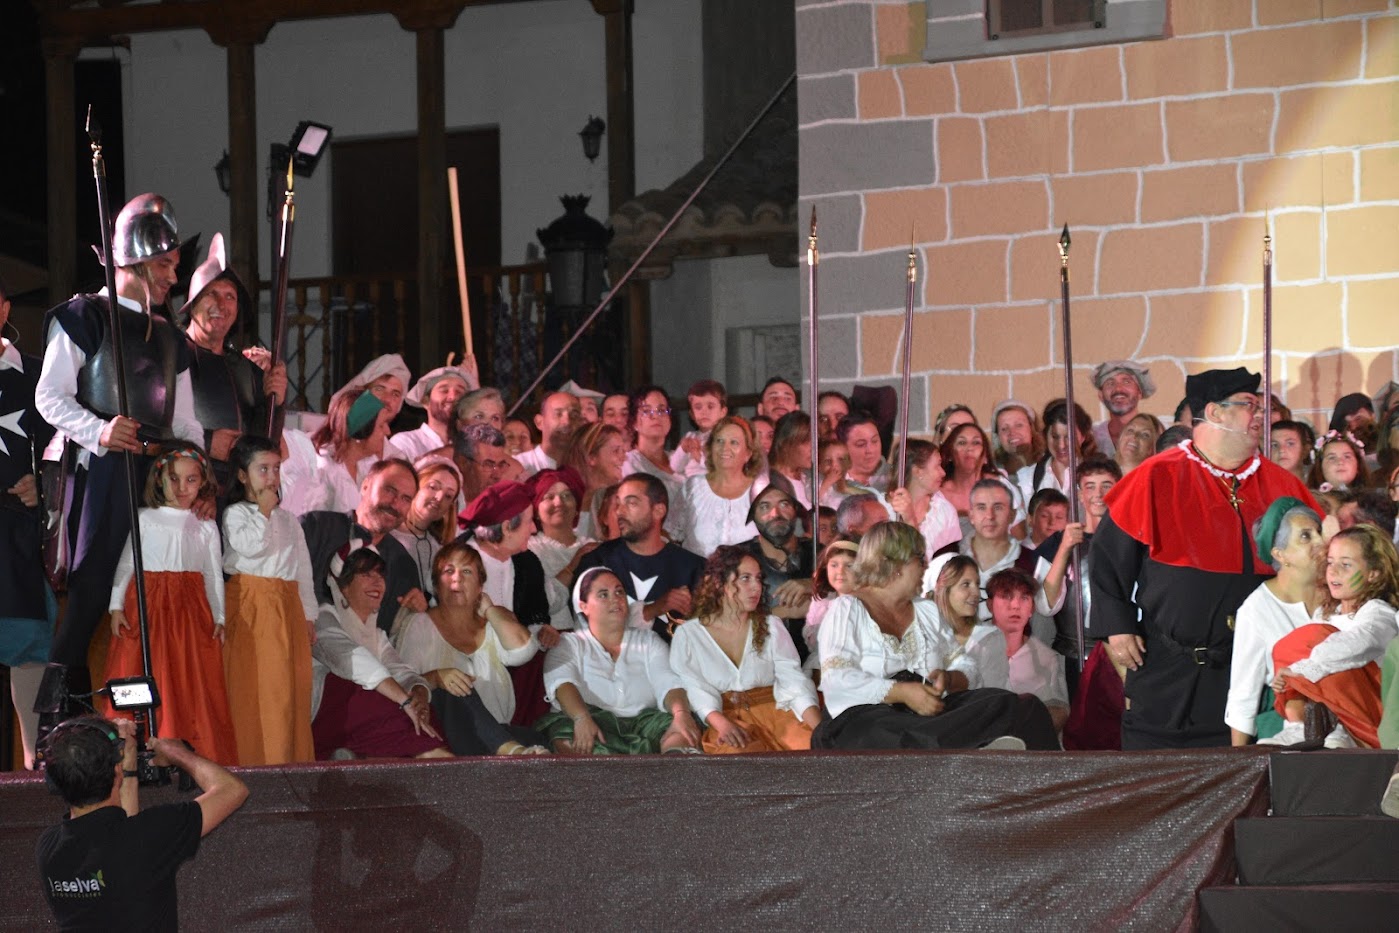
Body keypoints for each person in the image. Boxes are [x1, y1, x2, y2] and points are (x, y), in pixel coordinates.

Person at [34, 193, 204, 729]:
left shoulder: (172, 338)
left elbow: (186, 423)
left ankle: (141, 725)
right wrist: (101, 430)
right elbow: (50, 396)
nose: (172, 278)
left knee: (147, 605)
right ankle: (59, 728)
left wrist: (196, 477)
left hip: (158, 476)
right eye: (165, 265)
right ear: (133, 259)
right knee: (87, 601)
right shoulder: (85, 316)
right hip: (104, 470)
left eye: (175, 267)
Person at [1091, 367, 1319, 749]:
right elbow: (1106, 559)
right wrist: (1117, 625)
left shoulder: (1283, 486)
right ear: (1214, 413)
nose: (1260, 415)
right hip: (1168, 673)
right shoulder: (1154, 477)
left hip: (1256, 674)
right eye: (1249, 406)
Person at [812, 521, 1059, 751]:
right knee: (889, 731)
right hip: (867, 722)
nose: (924, 567)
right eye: (919, 559)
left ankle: (1047, 785)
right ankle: (979, 748)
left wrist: (950, 679)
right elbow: (838, 681)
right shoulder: (846, 610)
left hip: (928, 719)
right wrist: (903, 692)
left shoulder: (926, 611)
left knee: (1016, 704)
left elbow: (966, 664)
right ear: (895, 565)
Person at [36, 716, 248, 931]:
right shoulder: (150, 834)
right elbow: (232, 789)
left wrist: (126, 763)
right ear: (115, 772)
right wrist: (177, 753)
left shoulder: (48, 848)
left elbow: (120, 834)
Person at [103, 446, 238, 765]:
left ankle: (175, 743)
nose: (181, 488)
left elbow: (212, 574)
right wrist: (116, 606)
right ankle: (134, 745)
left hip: (188, 612)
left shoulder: (205, 524)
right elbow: (127, 564)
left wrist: (219, 615)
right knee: (142, 669)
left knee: (182, 675)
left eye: (191, 480)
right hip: (147, 605)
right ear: (159, 479)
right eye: (173, 479)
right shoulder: (144, 517)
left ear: (203, 482)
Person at [392, 543, 549, 754]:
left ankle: (505, 748)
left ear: (480, 586)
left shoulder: (492, 622)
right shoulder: (419, 624)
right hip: (445, 735)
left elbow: (524, 651)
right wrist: (437, 677)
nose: (457, 578)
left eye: (466, 571)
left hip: (496, 731)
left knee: (543, 739)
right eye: (449, 571)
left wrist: (491, 610)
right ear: (437, 585)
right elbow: (403, 684)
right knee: (455, 688)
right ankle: (509, 752)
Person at [221, 435, 318, 765]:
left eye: (276, 468)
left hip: (285, 605)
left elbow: (302, 568)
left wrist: (308, 615)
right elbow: (251, 547)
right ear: (242, 475)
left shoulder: (288, 520)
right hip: (253, 604)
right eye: (263, 469)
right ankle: (256, 759)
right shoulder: (236, 514)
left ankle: (287, 760)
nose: (272, 477)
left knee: (288, 690)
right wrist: (262, 511)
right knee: (260, 687)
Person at [669, 547, 821, 753]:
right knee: (741, 760)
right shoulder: (689, 635)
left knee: (812, 751)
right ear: (719, 583)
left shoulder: (770, 626)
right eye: (745, 578)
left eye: (758, 579)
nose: (756, 587)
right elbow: (696, 688)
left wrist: (820, 729)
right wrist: (721, 724)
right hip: (728, 719)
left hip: (777, 712)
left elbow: (793, 682)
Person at [536, 567, 702, 754]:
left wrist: (681, 714)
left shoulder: (649, 640)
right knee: (566, 733)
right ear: (584, 606)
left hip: (644, 723)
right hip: (592, 721)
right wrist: (581, 718)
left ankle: (671, 775)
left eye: (619, 592)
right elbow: (562, 684)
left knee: (681, 729)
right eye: (603, 594)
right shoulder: (568, 643)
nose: (615, 598)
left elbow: (669, 682)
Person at [1263, 525, 1399, 748]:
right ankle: (1298, 725)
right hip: (1327, 707)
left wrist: (1303, 668)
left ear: (1374, 574)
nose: (1333, 571)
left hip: (1369, 719)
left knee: (1315, 639)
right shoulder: (1324, 615)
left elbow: (1357, 644)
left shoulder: (1380, 613)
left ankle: (1341, 728)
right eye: (1330, 562)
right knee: (1291, 645)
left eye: (1346, 565)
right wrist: (1293, 673)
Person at [309, 548, 451, 759]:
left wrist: (418, 692)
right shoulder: (322, 618)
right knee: (353, 689)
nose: (377, 582)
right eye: (366, 574)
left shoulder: (376, 635)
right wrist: (403, 700)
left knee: (425, 713)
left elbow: (400, 670)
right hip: (325, 721)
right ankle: (435, 761)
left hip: (360, 724)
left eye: (380, 575)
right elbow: (349, 659)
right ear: (343, 585)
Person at [178, 233, 287, 489]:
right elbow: (157, 422)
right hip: (187, 487)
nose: (221, 304)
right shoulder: (172, 354)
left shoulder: (246, 370)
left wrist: (276, 402)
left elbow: (265, 440)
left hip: (235, 492)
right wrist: (204, 442)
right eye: (211, 294)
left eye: (230, 297)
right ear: (192, 305)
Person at [0, 272, 56, 768]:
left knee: (29, 649)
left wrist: (47, 485)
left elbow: (68, 447)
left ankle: (35, 782)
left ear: (3, 308)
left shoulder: (40, 376)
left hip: (19, 538)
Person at [1225, 497, 1326, 746]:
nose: (1320, 542)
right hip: (1286, 731)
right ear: (1280, 554)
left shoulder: (1339, 593)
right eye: (1306, 536)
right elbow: (1243, 694)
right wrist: (1240, 767)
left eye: (1319, 532)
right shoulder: (1257, 608)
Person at [457, 480, 554, 725]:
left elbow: (536, 615)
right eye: (529, 521)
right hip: (468, 663)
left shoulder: (527, 562)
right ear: (506, 527)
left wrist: (544, 630)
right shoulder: (456, 563)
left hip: (518, 658)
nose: (533, 529)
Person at [301, 458, 427, 633]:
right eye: (390, 490)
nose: (396, 504)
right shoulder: (315, 527)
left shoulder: (403, 565)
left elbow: (390, 635)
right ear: (365, 486)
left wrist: (415, 613)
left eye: (406, 499)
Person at [576, 473, 705, 638]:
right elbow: (586, 627)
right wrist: (650, 610)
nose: (620, 512)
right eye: (617, 504)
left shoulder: (694, 568)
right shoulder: (596, 562)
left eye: (631, 503)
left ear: (658, 511)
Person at [281, 386, 393, 516]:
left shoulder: (368, 466)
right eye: (381, 425)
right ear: (361, 431)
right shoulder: (321, 471)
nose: (387, 431)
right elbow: (306, 525)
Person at [986, 568, 1070, 733]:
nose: (1015, 606)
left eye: (1024, 598)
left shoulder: (1047, 658)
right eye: (1006, 597)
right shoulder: (970, 649)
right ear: (990, 605)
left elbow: (1060, 710)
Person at [739, 485, 815, 657]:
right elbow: (721, 621)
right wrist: (781, 613)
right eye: (764, 506)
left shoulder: (823, 554)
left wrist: (817, 584)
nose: (775, 514)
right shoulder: (735, 559)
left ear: (795, 509)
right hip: (759, 661)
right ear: (754, 514)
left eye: (784, 504)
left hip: (818, 661)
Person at [526, 467, 599, 632]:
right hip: (550, 642)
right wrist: (573, 566)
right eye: (549, 497)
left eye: (567, 496)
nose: (559, 503)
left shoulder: (593, 547)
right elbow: (542, 604)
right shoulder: (529, 550)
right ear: (536, 511)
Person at [926, 553, 1009, 694]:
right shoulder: (921, 633)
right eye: (966, 585)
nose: (976, 592)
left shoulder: (990, 638)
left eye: (977, 584)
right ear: (942, 590)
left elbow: (994, 695)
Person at [682, 415, 763, 558]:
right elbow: (671, 532)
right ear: (710, 448)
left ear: (748, 454)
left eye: (734, 442)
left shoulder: (760, 491)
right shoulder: (692, 487)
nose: (725, 448)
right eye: (719, 441)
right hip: (699, 577)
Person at [623, 384, 690, 544]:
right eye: (646, 411)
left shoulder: (681, 459)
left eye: (662, 410)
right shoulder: (628, 462)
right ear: (634, 422)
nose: (655, 416)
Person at [389, 455, 462, 602]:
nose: (439, 497)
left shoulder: (439, 550)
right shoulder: (387, 536)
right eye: (433, 487)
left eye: (448, 496)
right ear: (415, 486)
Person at [1016, 398, 1097, 512]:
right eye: (1055, 436)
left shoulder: (1096, 475)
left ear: (1083, 436)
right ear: (1045, 435)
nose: (1061, 445)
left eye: (1068, 437)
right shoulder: (1030, 478)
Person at [386, 364, 476, 463]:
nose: (453, 397)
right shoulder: (405, 442)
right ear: (426, 401)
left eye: (459, 392)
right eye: (444, 390)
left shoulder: (472, 446)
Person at [887, 438, 960, 559]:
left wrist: (910, 519)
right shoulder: (881, 508)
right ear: (917, 472)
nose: (943, 472)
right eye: (937, 466)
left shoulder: (944, 511)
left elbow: (950, 561)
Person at [561, 420, 628, 540]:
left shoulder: (606, 497)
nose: (624, 457)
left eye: (623, 451)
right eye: (616, 451)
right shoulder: (560, 496)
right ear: (591, 457)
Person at [802, 539, 859, 670]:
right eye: (834, 565)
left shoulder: (865, 603)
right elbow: (812, 643)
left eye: (849, 566)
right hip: (821, 664)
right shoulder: (823, 601)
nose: (840, 571)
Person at [1089, 360, 1156, 458]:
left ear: (1139, 393)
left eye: (1126, 382)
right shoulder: (1092, 440)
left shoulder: (1155, 435)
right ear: (1101, 396)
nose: (1118, 389)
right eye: (1110, 383)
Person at [514, 390, 581, 478]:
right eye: (558, 414)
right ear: (539, 422)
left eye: (574, 415)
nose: (567, 422)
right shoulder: (520, 465)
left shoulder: (586, 468)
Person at [671, 379, 727, 478]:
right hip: (689, 486)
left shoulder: (724, 438)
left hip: (712, 485)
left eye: (710, 406)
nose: (704, 412)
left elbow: (723, 467)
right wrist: (683, 450)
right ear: (692, 414)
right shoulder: (690, 437)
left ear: (722, 412)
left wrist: (699, 457)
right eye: (698, 407)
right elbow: (675, 467)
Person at [452, 422, 516, 506]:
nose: (497, 476)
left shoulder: (504, 508)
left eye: (501, 465)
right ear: (462, 463)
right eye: (488, 465)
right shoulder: (444, 506)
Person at [765, 411, 815, 512]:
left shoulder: (810, 480)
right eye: (806, 442)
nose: (813, 448)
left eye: (815, 441)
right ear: (785, 444)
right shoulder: (768, 483)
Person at [836, 414, 892, 494]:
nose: (870, 450)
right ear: (843, 447)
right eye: (861, 444)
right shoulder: (832, 481)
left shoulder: (895, 477)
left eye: (874, 441)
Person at [991, 399, 1042, 475]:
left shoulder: (1050, 466)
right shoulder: (992, 474)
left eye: (1019, 425)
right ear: (998, 437)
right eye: (1004, 429)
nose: (1012, 433)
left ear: (1032, 428)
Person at [1270, 419, 1316, 484]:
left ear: (1305, 450)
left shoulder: (1317, 482)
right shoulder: (1261, 484)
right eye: (1274, 445)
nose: (1281, 450)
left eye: (1290, 444)